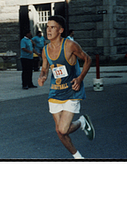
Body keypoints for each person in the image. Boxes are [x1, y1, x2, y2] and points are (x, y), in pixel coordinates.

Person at [38, 15, 94, 159]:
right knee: (59, 131)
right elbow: (44, 68)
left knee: (63, 129)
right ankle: (78, 157)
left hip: (71, 91)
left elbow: (88, 59)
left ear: (60, 30)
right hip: (55, 93)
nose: (48, 30)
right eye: (47, 27)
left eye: (52, 27)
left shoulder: (69, 45)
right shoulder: (45, 50)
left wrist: (80, 78)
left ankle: (82, 121)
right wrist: (42, 76)